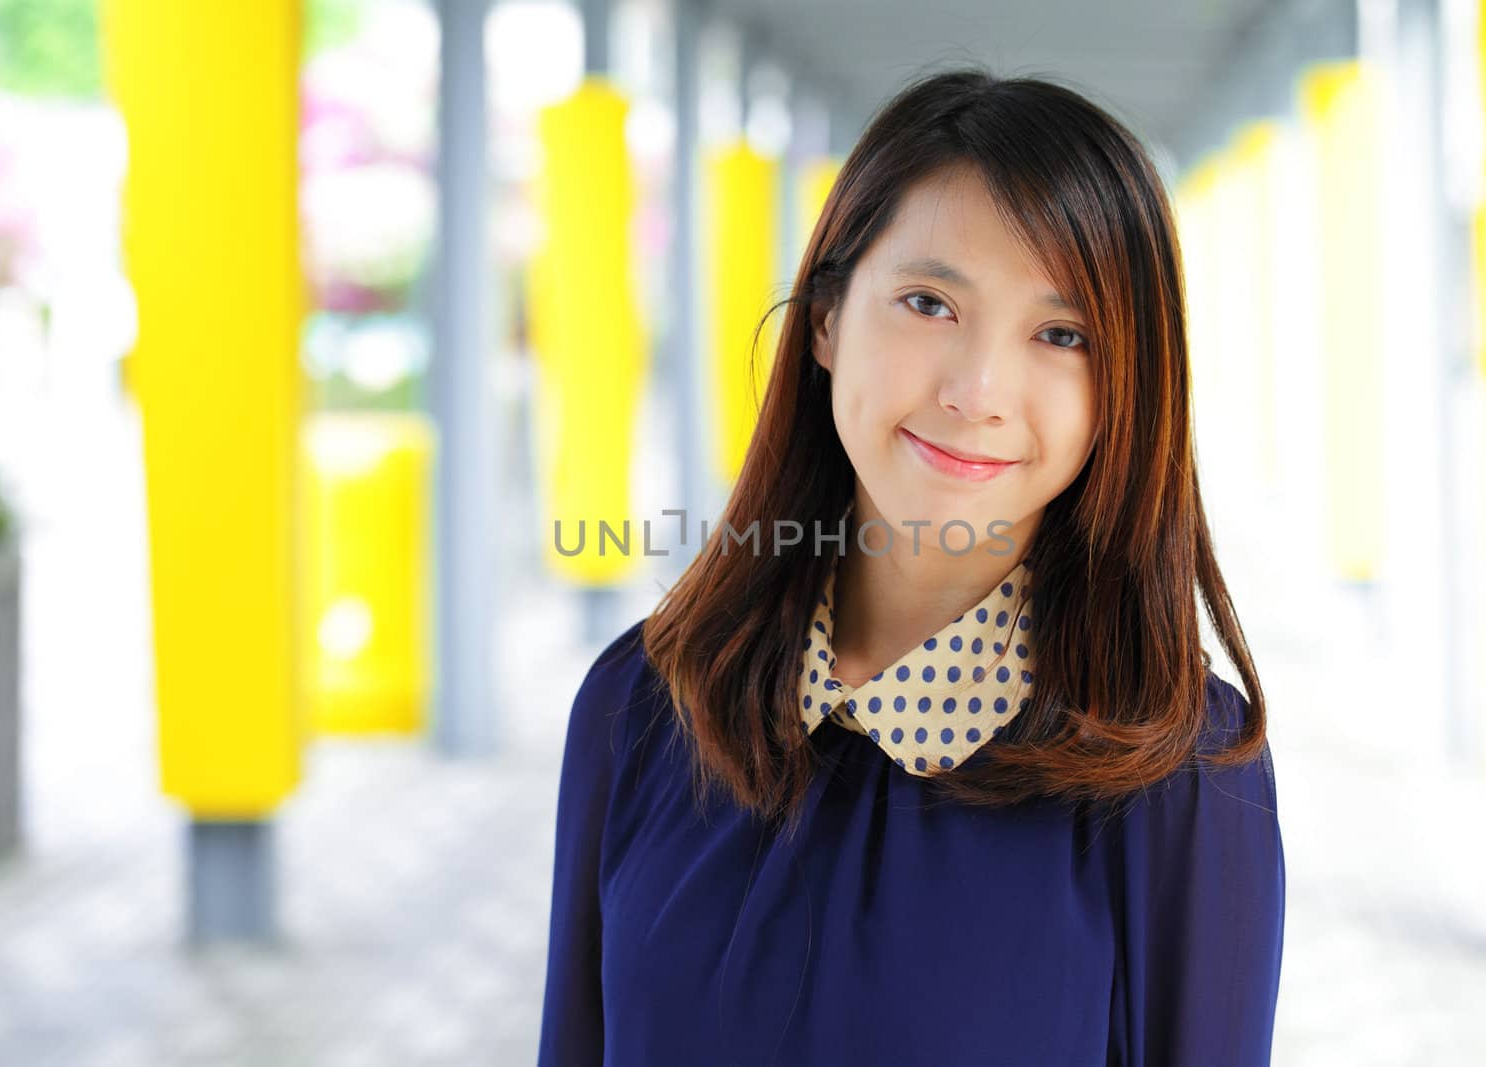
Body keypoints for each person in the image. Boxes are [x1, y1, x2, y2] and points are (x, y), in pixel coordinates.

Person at [537, 66, 1285, 1066]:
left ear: (1126, 388)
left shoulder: (1174, 765)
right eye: (929, 303)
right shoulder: (643, 700)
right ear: (825, 320)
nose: (978, 390)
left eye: (1062, 334)